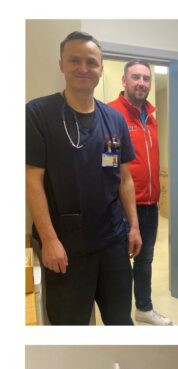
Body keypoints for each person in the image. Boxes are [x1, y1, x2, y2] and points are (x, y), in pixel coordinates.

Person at [26, 31, 141, 325]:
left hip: (112, 240)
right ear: (61, 64)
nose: (83, 68)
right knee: (71, 324)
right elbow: (31, 180)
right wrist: (49, 240)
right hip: (65, 246)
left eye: (91, 62)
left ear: (101, 70)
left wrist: (134, 227)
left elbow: (124, 179)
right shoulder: (38, 114)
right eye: (74, 60)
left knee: (119, 320)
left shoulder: (113, 119)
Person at [108, 60, 172, 325]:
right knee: (119, 264)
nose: (142, 83)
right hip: (121, 206)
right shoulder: (110, 114)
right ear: (124, 81)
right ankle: (120, 317)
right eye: (136, 77)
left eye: (146, 78)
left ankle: (144, 308)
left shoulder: (152, 118)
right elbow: (108, 164)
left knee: (145, 260)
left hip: (150, 203)